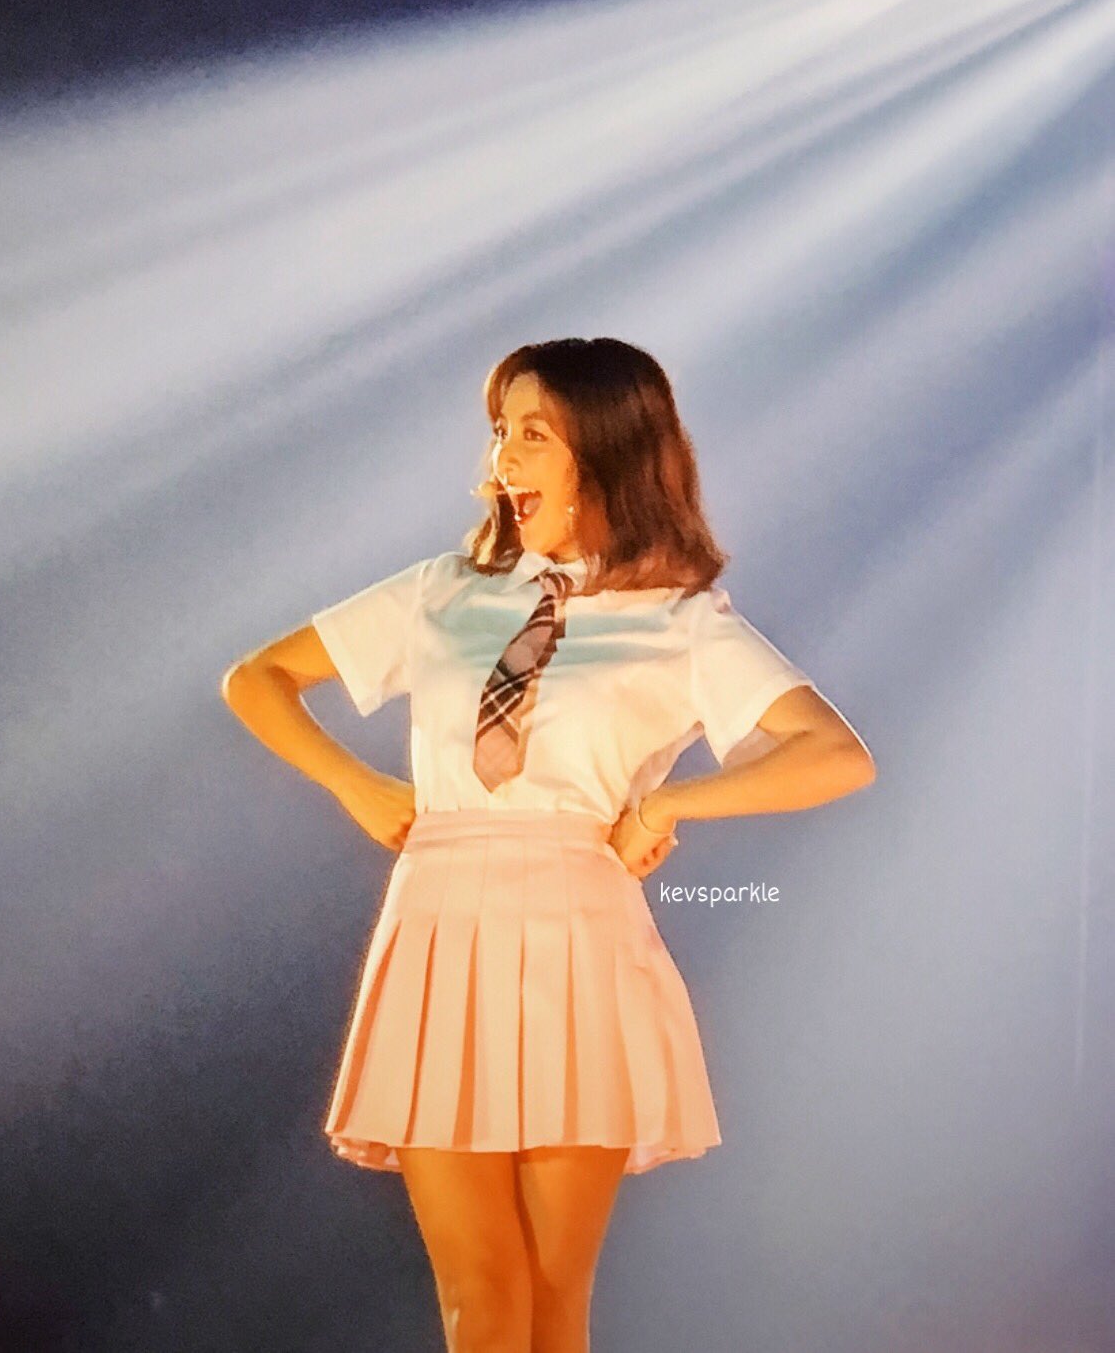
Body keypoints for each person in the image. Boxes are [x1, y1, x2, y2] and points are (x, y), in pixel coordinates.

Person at [221, 336, 875, 1353]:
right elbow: (256, 678)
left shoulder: (682, 620)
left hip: (579, 945)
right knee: (480, 1297)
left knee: (550, 1296)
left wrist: (668, 807)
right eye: (499, 431)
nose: (501, 458)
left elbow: (835, 754)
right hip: (437, 936)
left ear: (606, 449)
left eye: (533, 433)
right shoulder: (443, 589)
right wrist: (354, 783)